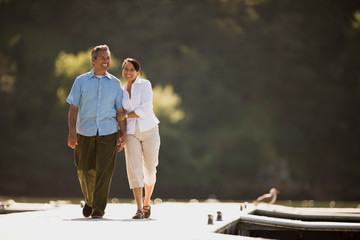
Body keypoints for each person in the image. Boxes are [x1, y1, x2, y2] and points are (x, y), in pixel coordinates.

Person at [67, 45, 126, 219]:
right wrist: (72, 132)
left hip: (108, 132)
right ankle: (90, 201)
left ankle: (99, 208)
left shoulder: (115, 83)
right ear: (93, 60)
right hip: (84, 131)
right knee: (84, 169)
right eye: (103, 58)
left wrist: (122, 135)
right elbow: (73, 108)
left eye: (108, 58)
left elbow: (120, 112)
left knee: (104, 171)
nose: (106, 61)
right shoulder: (81, 81)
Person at [116, 58, 160, 219]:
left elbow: (146, 108)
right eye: (126, 69)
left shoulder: (145, 85)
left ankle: (147, 201)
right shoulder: (120, 91)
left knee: (150, 169)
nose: (128, 72)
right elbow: (118, 113)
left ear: (137, 72)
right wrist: (120, 135)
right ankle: (139, 209)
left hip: (149, 130)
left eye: (132, 70)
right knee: (134, 168)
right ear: (122, 72)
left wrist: (126, 115)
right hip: (130, 132)